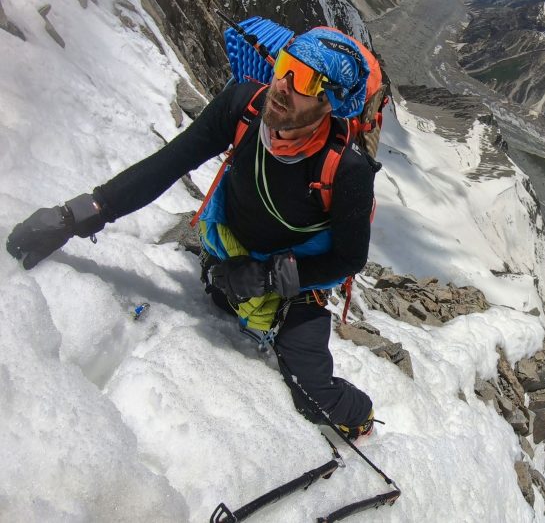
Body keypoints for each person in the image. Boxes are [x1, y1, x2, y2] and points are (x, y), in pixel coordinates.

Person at [5, 27, 378, 439]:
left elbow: (348, 259)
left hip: (295, 283)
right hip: (227, 258)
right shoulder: (244, 106)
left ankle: (360, 413)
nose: (282, 85)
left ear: (331, 101)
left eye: (304, 80)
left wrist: (270, 277)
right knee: (221, 297)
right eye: (286, 66)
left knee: (314, 398)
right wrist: (81, 214)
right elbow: (169, 163)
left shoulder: (346, 170)